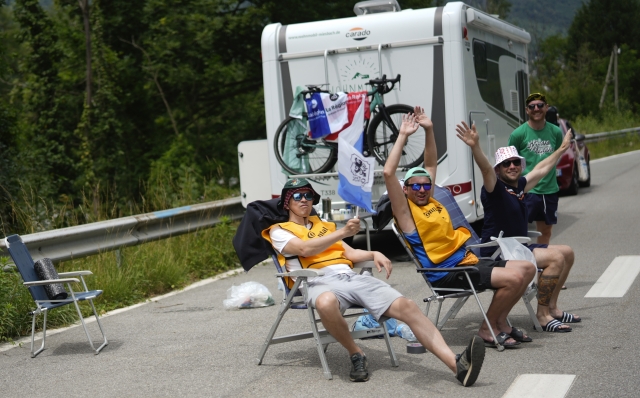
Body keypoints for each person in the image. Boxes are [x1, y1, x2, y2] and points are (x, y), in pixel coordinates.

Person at [262, 177, 485, 386]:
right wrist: (342, 232)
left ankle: (457, 365)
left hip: (349, 278)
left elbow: (349, 253)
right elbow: (304, 248)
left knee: (408, 307)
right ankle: (356, 353)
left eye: (307, 195)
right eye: (297, 196)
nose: (303, 200)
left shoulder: (324, 227)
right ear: (286, 203)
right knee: (326, 302)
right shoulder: (279, 231)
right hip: (317, 282)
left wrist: (373, 253)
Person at [383, 107, 536, 349]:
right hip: (447, 272)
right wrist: (402, 134)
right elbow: (388, 173)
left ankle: (500, 323)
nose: (422, 190)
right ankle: (488, 328)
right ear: (406, 190)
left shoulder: (431, 199)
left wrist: (429, 129)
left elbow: (431, 162)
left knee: (527, 268)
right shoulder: (406, 214)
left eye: (426, 186)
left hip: (466, 261)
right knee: (514, 278)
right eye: (416, 187)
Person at [456, 121, 581, 332]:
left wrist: (561, 149)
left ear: (521, 165)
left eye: (515, 162)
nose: (512, 166)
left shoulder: (520, 185)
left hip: (517, 248)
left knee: (567, 253)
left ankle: (552, 307)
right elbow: (485, 169)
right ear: (499, 169)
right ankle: (542, 315)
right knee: (556, 258)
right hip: (497, 251)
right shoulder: (494, 188)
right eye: (506, 164)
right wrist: (475, 146)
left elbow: (541, 169)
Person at [508, 93, 564, 245]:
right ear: (527, 110)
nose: (536, 109)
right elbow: (510, 162)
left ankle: (541, 263)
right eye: (532, 106)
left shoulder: (555, 132)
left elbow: (557, 155)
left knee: (545, 232)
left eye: (540, 105)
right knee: (519, 231)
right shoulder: (518, 134)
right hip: (526, 190)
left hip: (549, 190)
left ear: (546, 108)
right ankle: (521, 263)